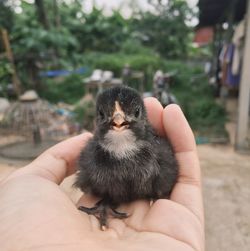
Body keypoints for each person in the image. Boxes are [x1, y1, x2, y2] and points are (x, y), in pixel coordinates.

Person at [0, 99, 204, 251]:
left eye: (131, 112)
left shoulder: (159, 155)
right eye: (108, 113)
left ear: (141, 116)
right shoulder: (93, 156)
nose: (118, 118)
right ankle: (106, 202)